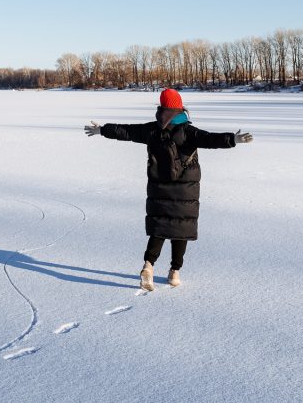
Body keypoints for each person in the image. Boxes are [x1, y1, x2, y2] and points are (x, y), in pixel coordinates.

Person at [84, 88, 253, 290]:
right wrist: (233, 139)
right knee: (180, 229)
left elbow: (127, 131)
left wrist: (102, 129)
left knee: (159, 228)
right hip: (186, 192)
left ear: (162, 107)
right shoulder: (189, 132)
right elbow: (210, 139)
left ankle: (148, 265)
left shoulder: (152, 130)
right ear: (180, 107)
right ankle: (174, 272)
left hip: (159, 190)